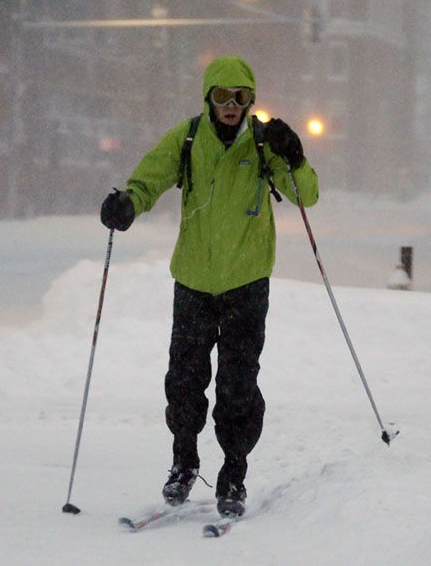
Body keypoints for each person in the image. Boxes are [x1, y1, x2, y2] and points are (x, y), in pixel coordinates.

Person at [99, 55, 318, 518]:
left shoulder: (264, 143)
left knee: (238, 386)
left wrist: (294, 156)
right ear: (209, 98)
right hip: (194, 281)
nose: (232, 106)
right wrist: (128, 203)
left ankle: (233, 473)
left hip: (246, 282)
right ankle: (184, 460)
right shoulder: (189, 137)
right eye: (222, 96)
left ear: (250, 99)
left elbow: (306, 195)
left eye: (240, 97)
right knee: (184, 381)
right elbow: (150, 177)